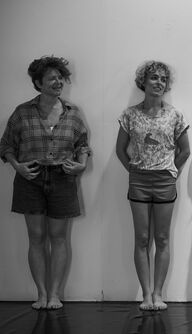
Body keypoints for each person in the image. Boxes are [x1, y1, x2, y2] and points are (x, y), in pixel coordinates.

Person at [0, 56, 91, 310]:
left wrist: (81, 163)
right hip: (31, 178)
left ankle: (54, 295)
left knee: (59, 238)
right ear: (38, 83)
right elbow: (6, 145)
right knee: (36, 237)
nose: (58, 81)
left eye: (60, 77)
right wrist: (17, 165)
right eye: (52, 78)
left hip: (63, 178)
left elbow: (83, 144)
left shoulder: (73, 113)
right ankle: (41, 294)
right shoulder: (22, 112)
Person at [116, 61, 190, 311]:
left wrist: (171, 173)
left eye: (162, 79)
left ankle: (159, 294)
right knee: (142, 238)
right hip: (138, 181)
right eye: (153, 78)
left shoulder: (175, 115)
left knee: (162, 238)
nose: (159, 82)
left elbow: (185, 150)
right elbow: (120, 149)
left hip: (165, 181)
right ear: (143, 83)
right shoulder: (129, 114)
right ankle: (146, 295)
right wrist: (135, 171)